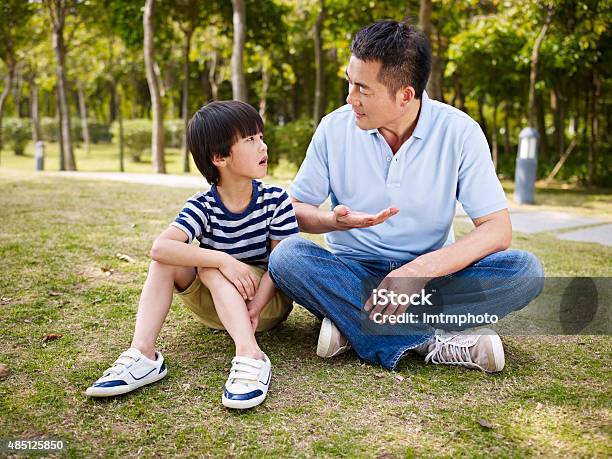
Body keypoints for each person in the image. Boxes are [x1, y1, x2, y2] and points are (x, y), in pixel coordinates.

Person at [268, 20, 544, 373]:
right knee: (288, 257)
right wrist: (330, 220)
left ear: (405, 96)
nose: (350, 98)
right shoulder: (333, 128)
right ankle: (431, 341)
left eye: (362, 89)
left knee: (525, 272)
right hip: (353, 272)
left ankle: (352, 323)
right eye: (349, 82)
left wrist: (418, 271)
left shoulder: (460, 132)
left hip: (431, 280)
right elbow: (296, 209)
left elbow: (497, 229)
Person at [86, 100, 299, 409]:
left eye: (261, 137)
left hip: (265, 305)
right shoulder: (202, 204)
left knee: (208, 265)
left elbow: (282, 264)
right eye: (250, 140)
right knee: (174, 262)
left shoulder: (275, 199)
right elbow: (160, 247)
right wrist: (222, 260)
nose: (262, 146)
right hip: (217, 307)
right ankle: (143, 354)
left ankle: (250, 353)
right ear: (219, 157)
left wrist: (254, 307)